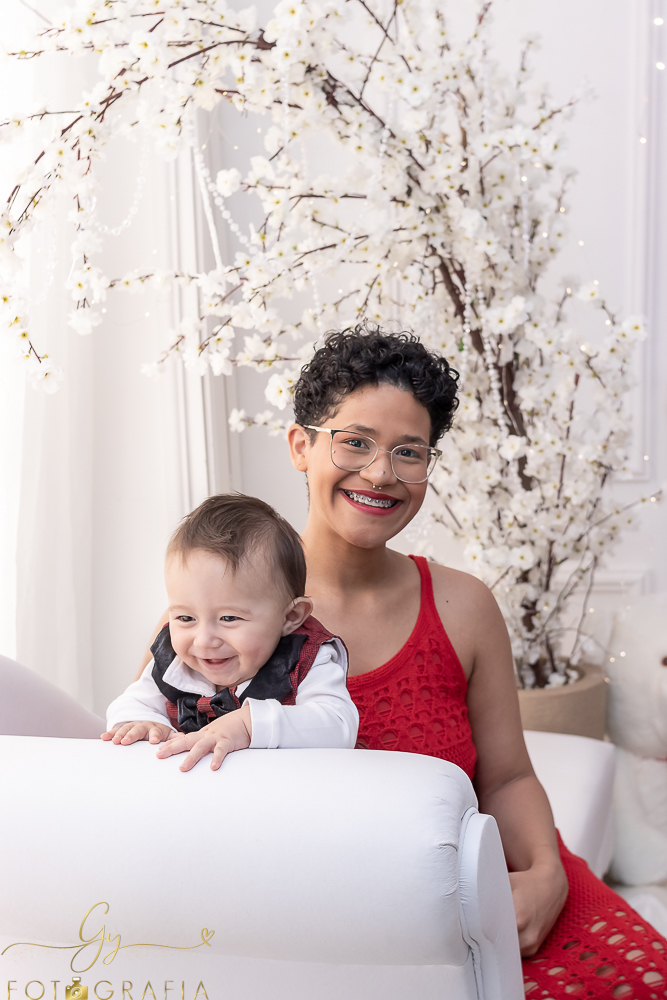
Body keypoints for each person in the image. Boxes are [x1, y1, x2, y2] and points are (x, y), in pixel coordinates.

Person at [135, 326, 667, 997]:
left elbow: (506, 778)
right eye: (354, 441)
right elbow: (149, 769)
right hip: (323, 934)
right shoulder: (212, 616)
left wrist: (544, 877)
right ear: (300, 445)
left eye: (408, 452)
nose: (381, 473)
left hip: (481, 898)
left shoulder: (463, 606)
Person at [105, 493, 357, 771]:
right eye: (186, 617)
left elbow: (339, 725)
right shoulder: (173, 660)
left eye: (228, 618)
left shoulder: (306, 659)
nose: (204, 640)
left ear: (290, 617)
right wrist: (146, 723)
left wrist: (248, 725)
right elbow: (128, 704)